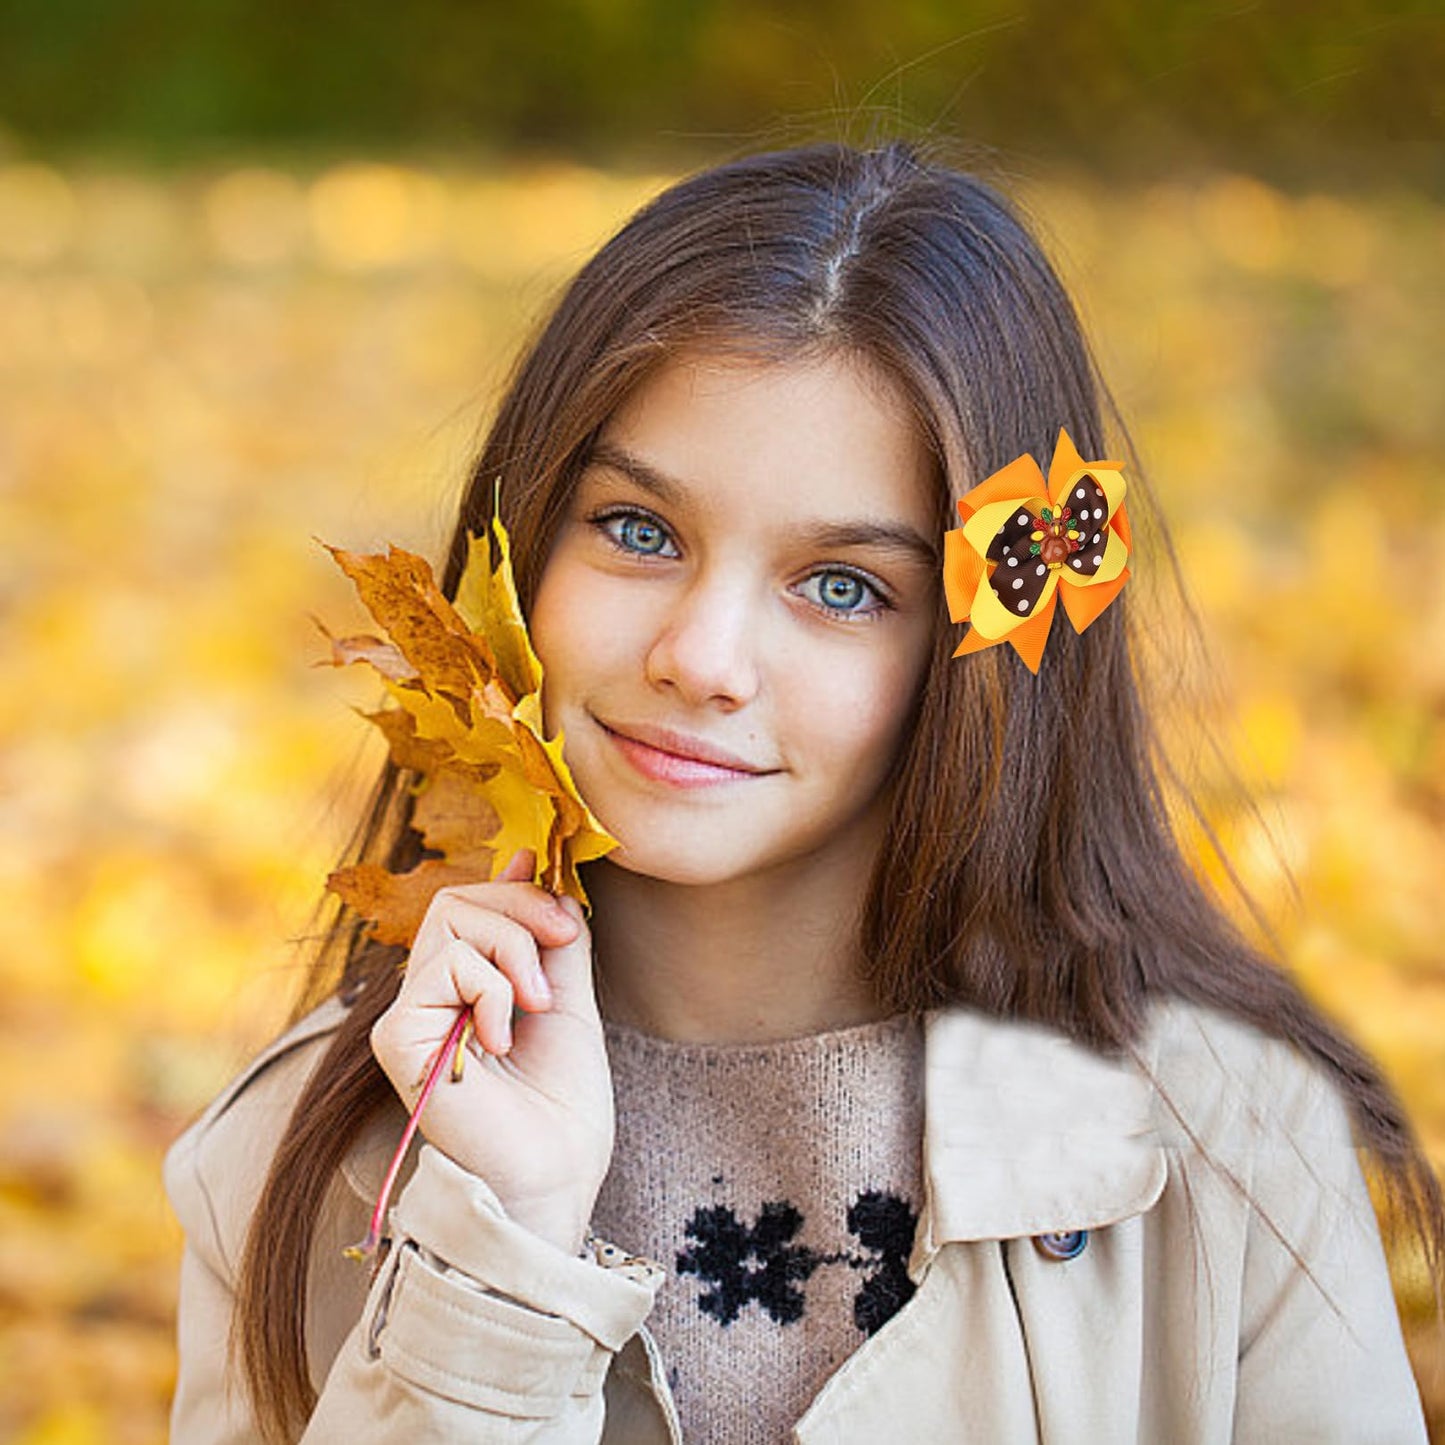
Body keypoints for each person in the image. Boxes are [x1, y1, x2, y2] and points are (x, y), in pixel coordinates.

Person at [163, 140, 1440, 1443]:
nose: (700, 658)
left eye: (840, 586)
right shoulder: (294, 1164)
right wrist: (499, 1257)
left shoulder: (1226, 1150)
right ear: (523, 533)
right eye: (637, 530)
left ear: (983, 651)